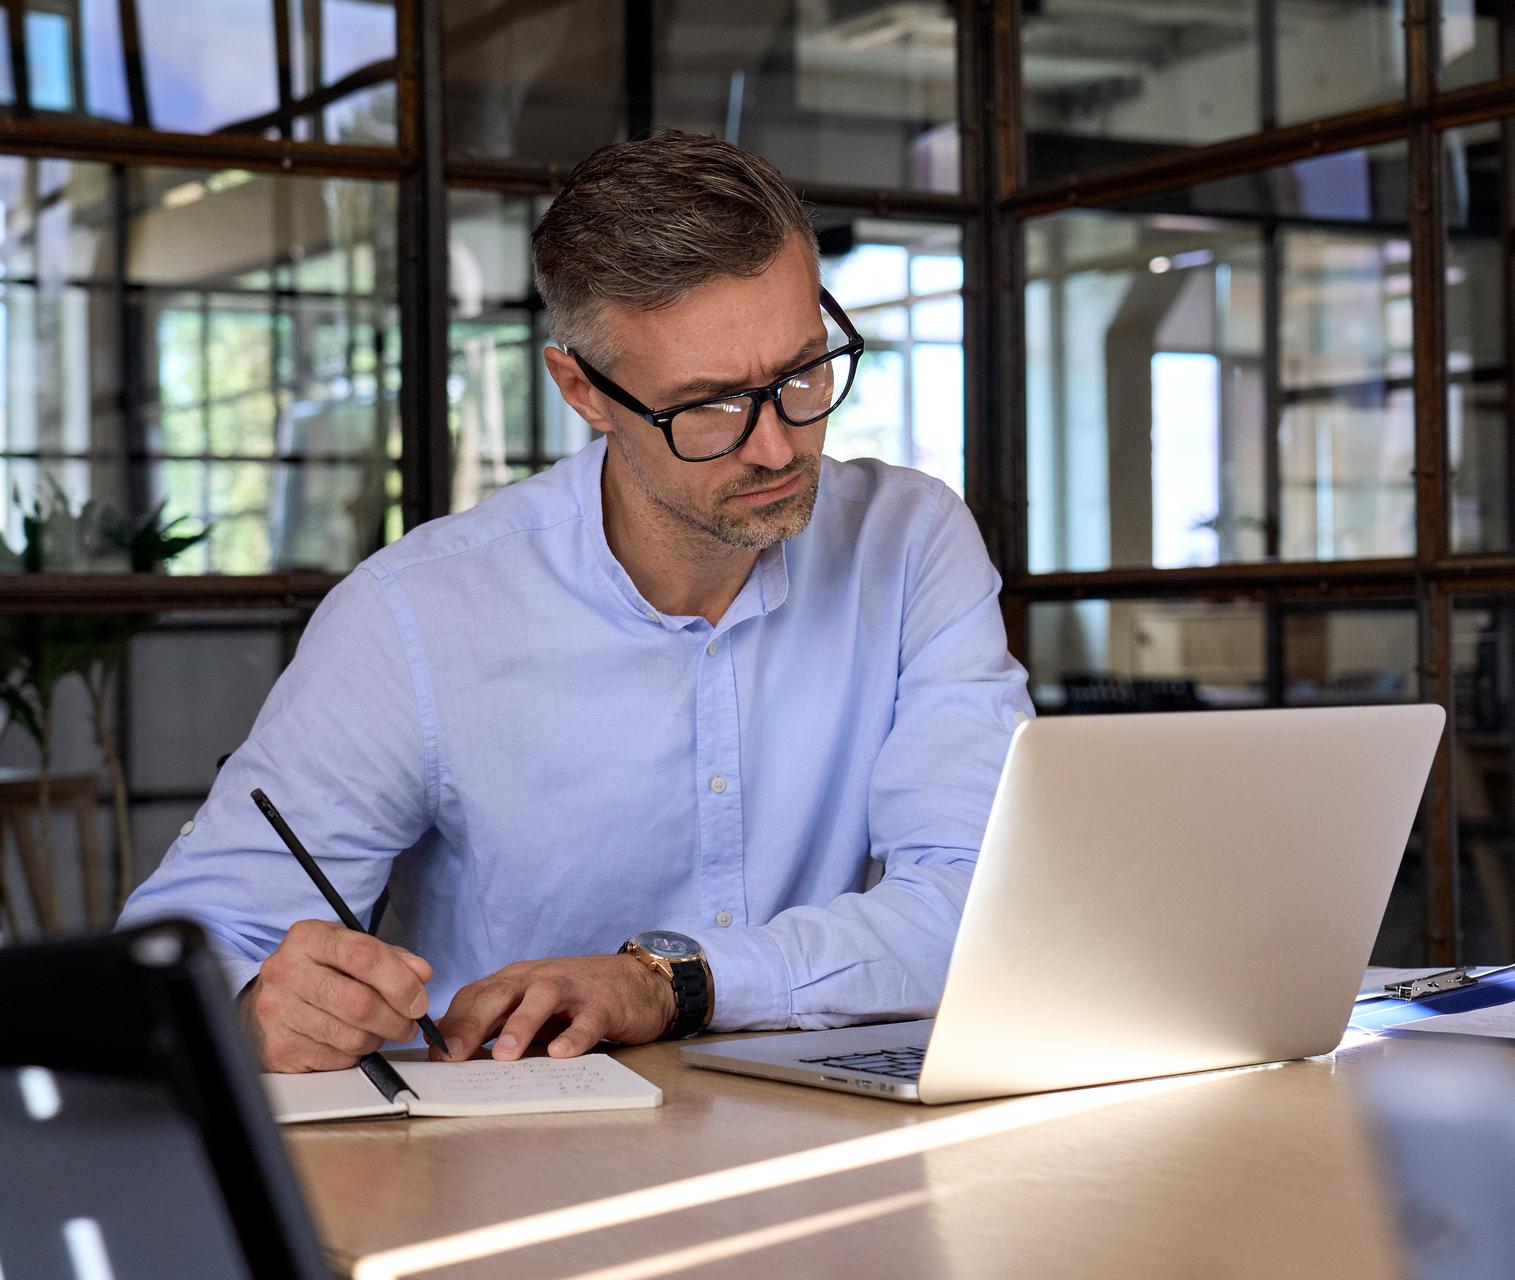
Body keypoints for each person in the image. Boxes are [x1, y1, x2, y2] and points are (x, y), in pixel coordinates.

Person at [119, 130, 1033, 1073]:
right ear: (582, 391)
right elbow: (181, 948)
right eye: (710, 405)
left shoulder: (909, 538)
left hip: (835, 1137)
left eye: (802, 372)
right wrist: (252, 1003)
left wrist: (667, 981)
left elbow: (982, 900)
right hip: (510, 1154)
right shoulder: (417, 615)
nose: (775, 446)